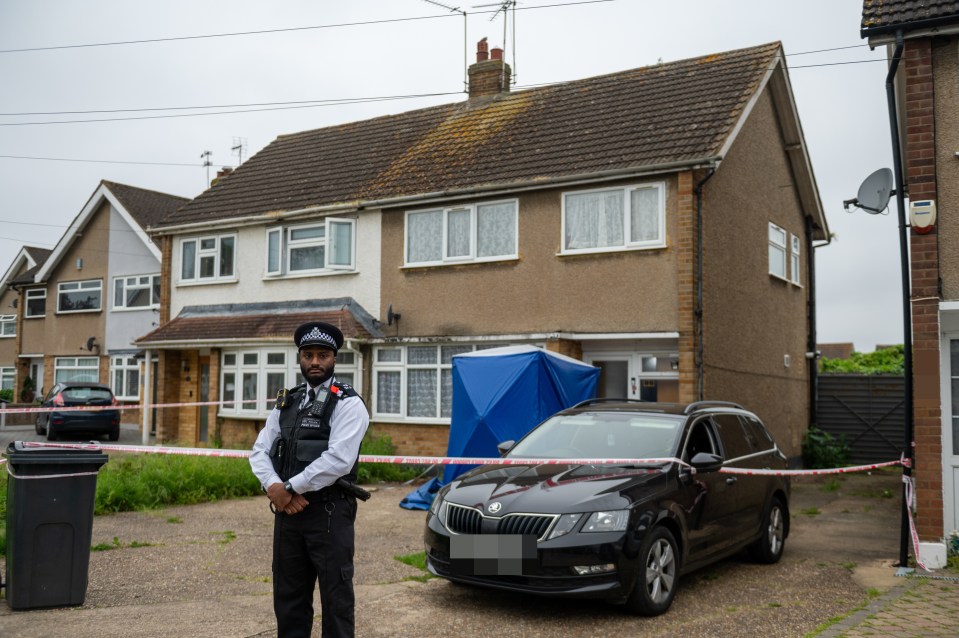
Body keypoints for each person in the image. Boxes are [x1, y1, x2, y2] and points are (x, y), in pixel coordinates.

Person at [250, 321, 370, 638]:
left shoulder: (348, 403)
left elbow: (338, 460)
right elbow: (260, 450)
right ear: (300, 358)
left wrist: (288, 488)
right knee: (288, 600)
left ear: (334, 358)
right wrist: (274, 487)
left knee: (336, 601)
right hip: (288, 515)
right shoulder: (287, 402)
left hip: (329, 514)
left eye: (322, 355)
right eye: (308, 355)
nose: (315, 362)